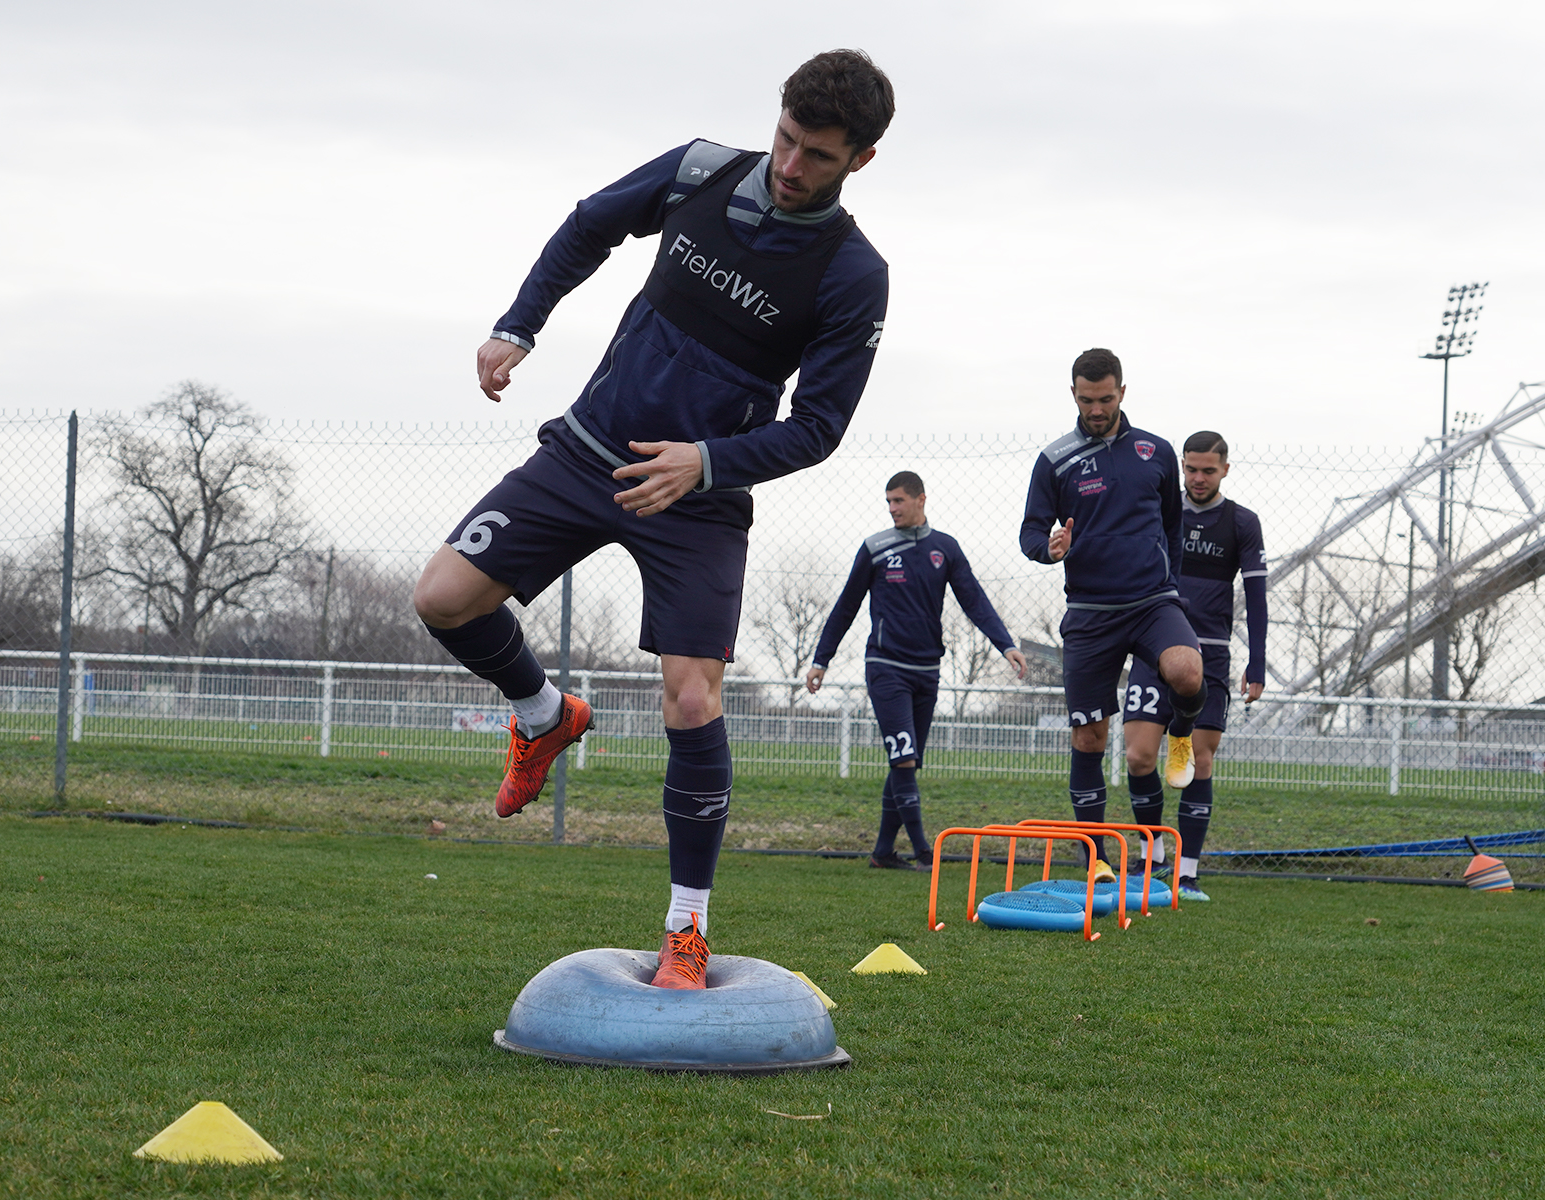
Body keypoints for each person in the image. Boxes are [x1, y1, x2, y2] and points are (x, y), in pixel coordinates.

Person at [411, 50, 894, 989]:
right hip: (584, 451)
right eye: (788, 139)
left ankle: (685, 930)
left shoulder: (852, 274)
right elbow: (590, 223)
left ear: (859, 162)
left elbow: (821, 427)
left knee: (691, 699)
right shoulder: (699, 170)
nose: (792, 166)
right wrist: (520, 324)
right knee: (442, 597)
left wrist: (704, 463)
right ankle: (544, 717)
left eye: (819, 157)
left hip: (698, 502)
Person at [1019, 348, 1206, 882]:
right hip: (1090, 612)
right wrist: (1048, 548)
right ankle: (1096, 859)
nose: (1096, 409)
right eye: (1085, 400)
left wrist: (1169, 581)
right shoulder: (1055, 459)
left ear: (1122, 392)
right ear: (1072, 395)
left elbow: (1171, 523)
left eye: (1104, 399)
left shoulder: (1157, 452)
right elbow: (1030, 532)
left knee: (1187, 672)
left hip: (1153, 602)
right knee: (1090, 739)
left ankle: (1181, 733)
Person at [805, 472, 1028, 870]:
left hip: (928, 669)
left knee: (904, 760)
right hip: (886, 666)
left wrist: (1006, 645)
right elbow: (846, 606)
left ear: (920, 499)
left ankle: (882, 853)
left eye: (898, 501)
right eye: (887, 502)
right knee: (904, 758)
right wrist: (822, 658)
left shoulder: (946, 549)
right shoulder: (874, 548)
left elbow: (974, 600)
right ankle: (926, 852)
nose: (891, 509)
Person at [1122, 431, 1267, 901]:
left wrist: (1258, 661)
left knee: (1199, 762)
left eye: (1208, 470)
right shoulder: (1161, 513)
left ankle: (1187, 874)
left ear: (1225, 469)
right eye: (1190, 469)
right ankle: (1153, 858)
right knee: (1140, 757)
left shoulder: (1242, 522)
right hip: (1153, 648)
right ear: (1181, 467)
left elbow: (1258, 595)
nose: (1198, 478)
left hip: (1209, 654)